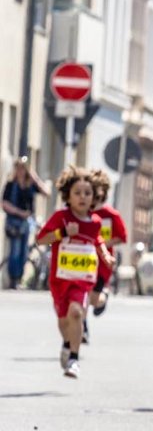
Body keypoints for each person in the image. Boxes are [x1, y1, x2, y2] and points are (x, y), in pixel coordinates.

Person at [35, 167, 114, 378]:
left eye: (87, 193)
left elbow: (97, 240)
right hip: (60, 279)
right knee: (63, 320)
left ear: (94, 197)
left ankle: (74, 360)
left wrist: (105, 254)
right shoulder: (61, 217)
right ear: (68, 195)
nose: (83, 197)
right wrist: (62, 233)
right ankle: (68, 342)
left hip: (83, 278)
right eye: (78, 193)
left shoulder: (95, 222)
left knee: (77, 313)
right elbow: (41, 239)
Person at [2, 156, 50, 288]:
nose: (21, 171)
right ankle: (14, 279)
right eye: (19, 168)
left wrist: (35, 177)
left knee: (24, 251)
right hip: (14, 221)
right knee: (15, 251)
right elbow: (4, 203)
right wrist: (19, 212)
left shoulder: (30, 185)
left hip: (27, 222)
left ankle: (20, 277)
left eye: (24, 168)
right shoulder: (11, 185)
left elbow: (46, 192)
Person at [89, 169, 127, 321]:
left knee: (94, 298)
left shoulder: (111, 215)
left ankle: (104, 295)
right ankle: (81, 326)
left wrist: (104, 244)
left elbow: (122, 237)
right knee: (82, 295)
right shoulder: (83, 212)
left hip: (103, 263)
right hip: (85, 260)